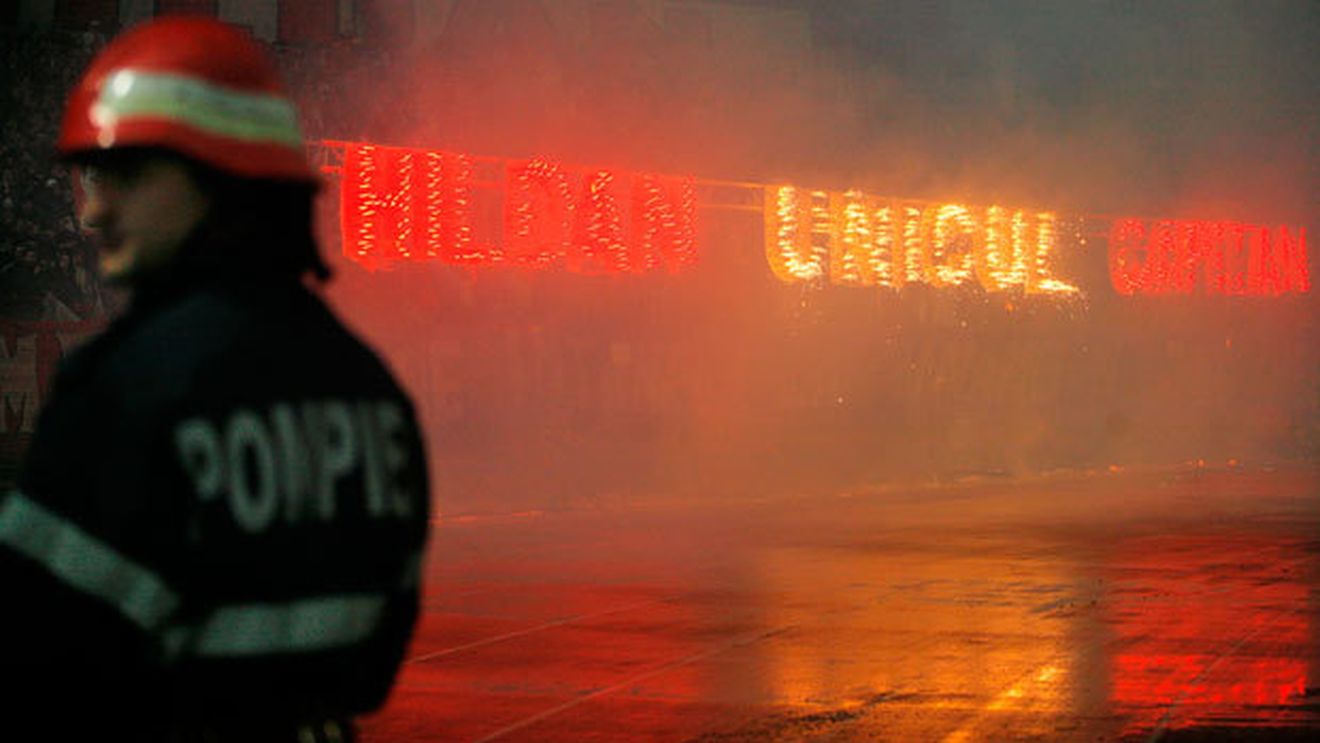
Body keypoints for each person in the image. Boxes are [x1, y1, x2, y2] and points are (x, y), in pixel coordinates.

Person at [0, 16, 430, 741]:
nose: (94, 208)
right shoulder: (372, 392)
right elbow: (378, 654)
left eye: (127, 175)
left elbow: (39, 652)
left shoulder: (128, 388)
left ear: (218, 182)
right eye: (90, 178)